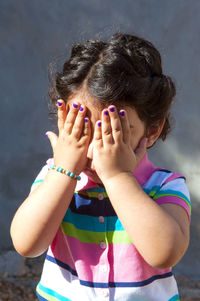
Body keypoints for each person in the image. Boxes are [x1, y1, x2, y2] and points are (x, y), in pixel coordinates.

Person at [10, 33, 191, 301]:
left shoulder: (165, 186)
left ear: (152, 130)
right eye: (81, 130)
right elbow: (27, 245)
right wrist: (63, 171)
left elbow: (164, 252)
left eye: (112, 133)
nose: (95, 150)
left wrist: (118, 177)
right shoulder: (55, 177)